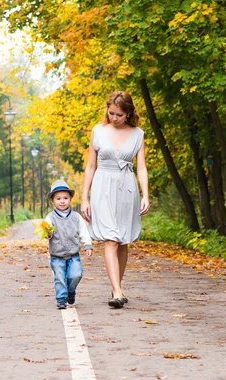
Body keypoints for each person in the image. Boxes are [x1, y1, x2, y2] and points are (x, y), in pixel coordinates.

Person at [80, 91, 150, 309]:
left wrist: (146, 194)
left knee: (122, 240)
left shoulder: (138, 134)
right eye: (111, 113)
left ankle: (116, 285)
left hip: (127, 187)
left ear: (128, 113)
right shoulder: (98, 131)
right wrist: (84, 197)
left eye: (119, 114)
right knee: (110, 239)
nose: (114, 117)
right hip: (103, 186)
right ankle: (118, 293)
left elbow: (141, 166)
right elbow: (91, 166)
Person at [44, 180, 93, 309]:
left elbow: (83, 232)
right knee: (59, 277)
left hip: (73, 255)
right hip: (57, 255)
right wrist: (48, 232)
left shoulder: (76, 217)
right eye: (58, 198)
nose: (62, 201)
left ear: (70, 199)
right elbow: (46, 233)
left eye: (65, 198)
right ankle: (61, 298)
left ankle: (71, 291)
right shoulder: (50, 218)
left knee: (76, 274)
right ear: (52, 201)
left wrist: (88, 245)